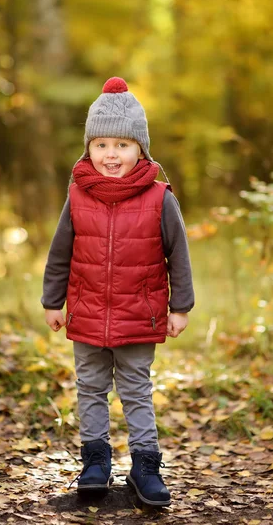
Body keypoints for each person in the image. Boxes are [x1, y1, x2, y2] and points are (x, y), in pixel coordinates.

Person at [41, 77, 195, 507]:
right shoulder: (77, 196)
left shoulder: (160, 198)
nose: (112, 154)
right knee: (89, 387)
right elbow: (60, 253)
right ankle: (95, 461)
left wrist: (179, 306)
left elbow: (178, 256)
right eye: (102, 144)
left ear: (141, 151)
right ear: (88, 149)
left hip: (138, 315)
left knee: (136, 389)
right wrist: (53, 301)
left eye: (123, 146)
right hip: (87, 313)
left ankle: (146, 466)